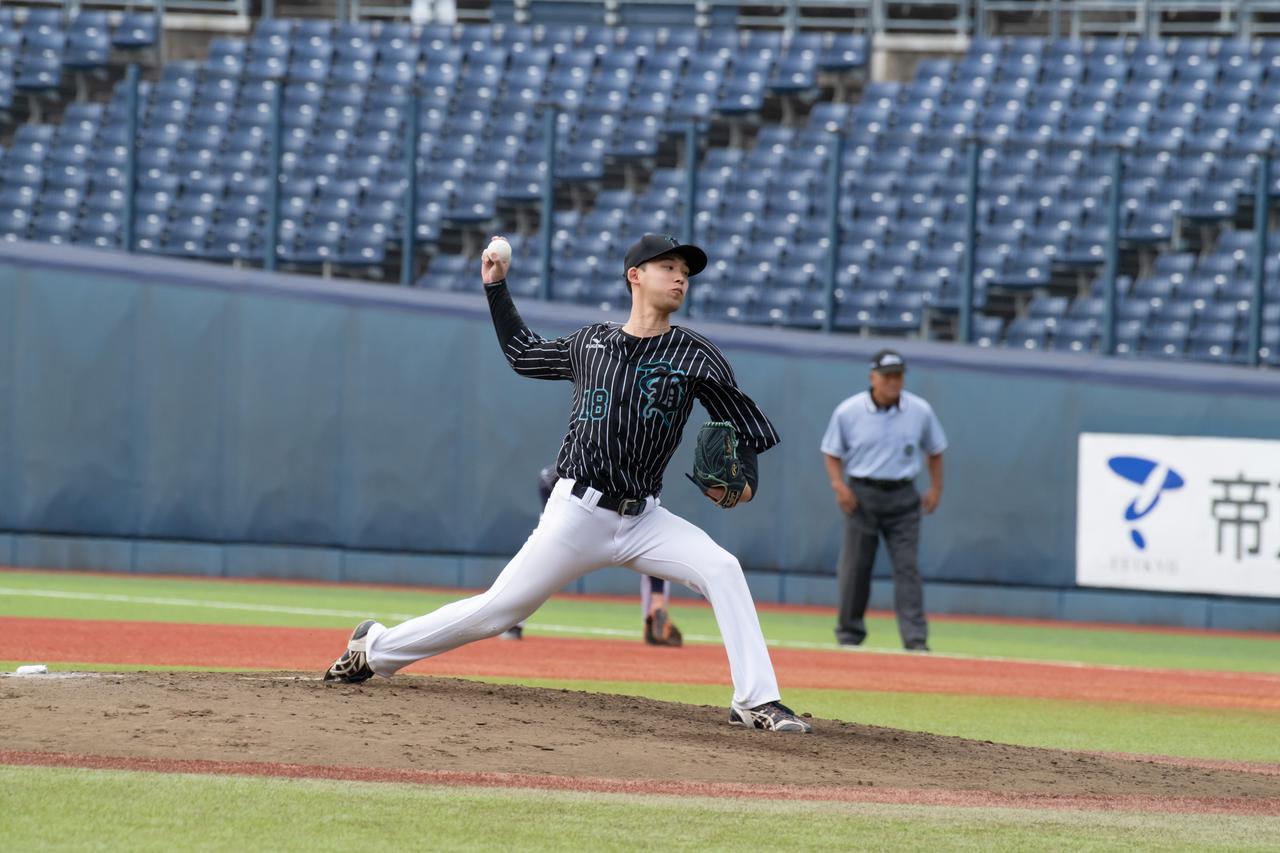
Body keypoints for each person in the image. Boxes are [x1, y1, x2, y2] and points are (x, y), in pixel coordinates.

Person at [325, 233, 810, 733]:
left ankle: (755, 700)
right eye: (668, 267)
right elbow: (523, 353)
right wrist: (496, 287)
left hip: (644, 518)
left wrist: (743, 483)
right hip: (578, 511)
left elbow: (746, 427)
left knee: (722, 568)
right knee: (498, 611)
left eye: (685, 271)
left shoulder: (696, 355)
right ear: (635, 276)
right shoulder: (591, 343)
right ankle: (375, 647)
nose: (680, 277)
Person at [819, 349, 947, 652]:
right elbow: (832, 451)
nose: (893, 381)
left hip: (903, 496)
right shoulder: (849, 411)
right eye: (887, 376)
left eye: (898, 376)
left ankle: (915, 640)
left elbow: (936, 450)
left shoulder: (920, 410)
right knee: (855, 566)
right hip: (862, 495)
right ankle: (849, 635)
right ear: (872, 377)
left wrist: (936, 488)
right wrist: (839, 486)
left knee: (907, 568)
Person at [500, 465, 683, 646]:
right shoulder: (582, 465)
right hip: (580, 515)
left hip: (621, 515)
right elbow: (547, 479)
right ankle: (513, 619)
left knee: (653, 546)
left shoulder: (637, 481)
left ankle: (656, 610)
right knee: (541, 557)